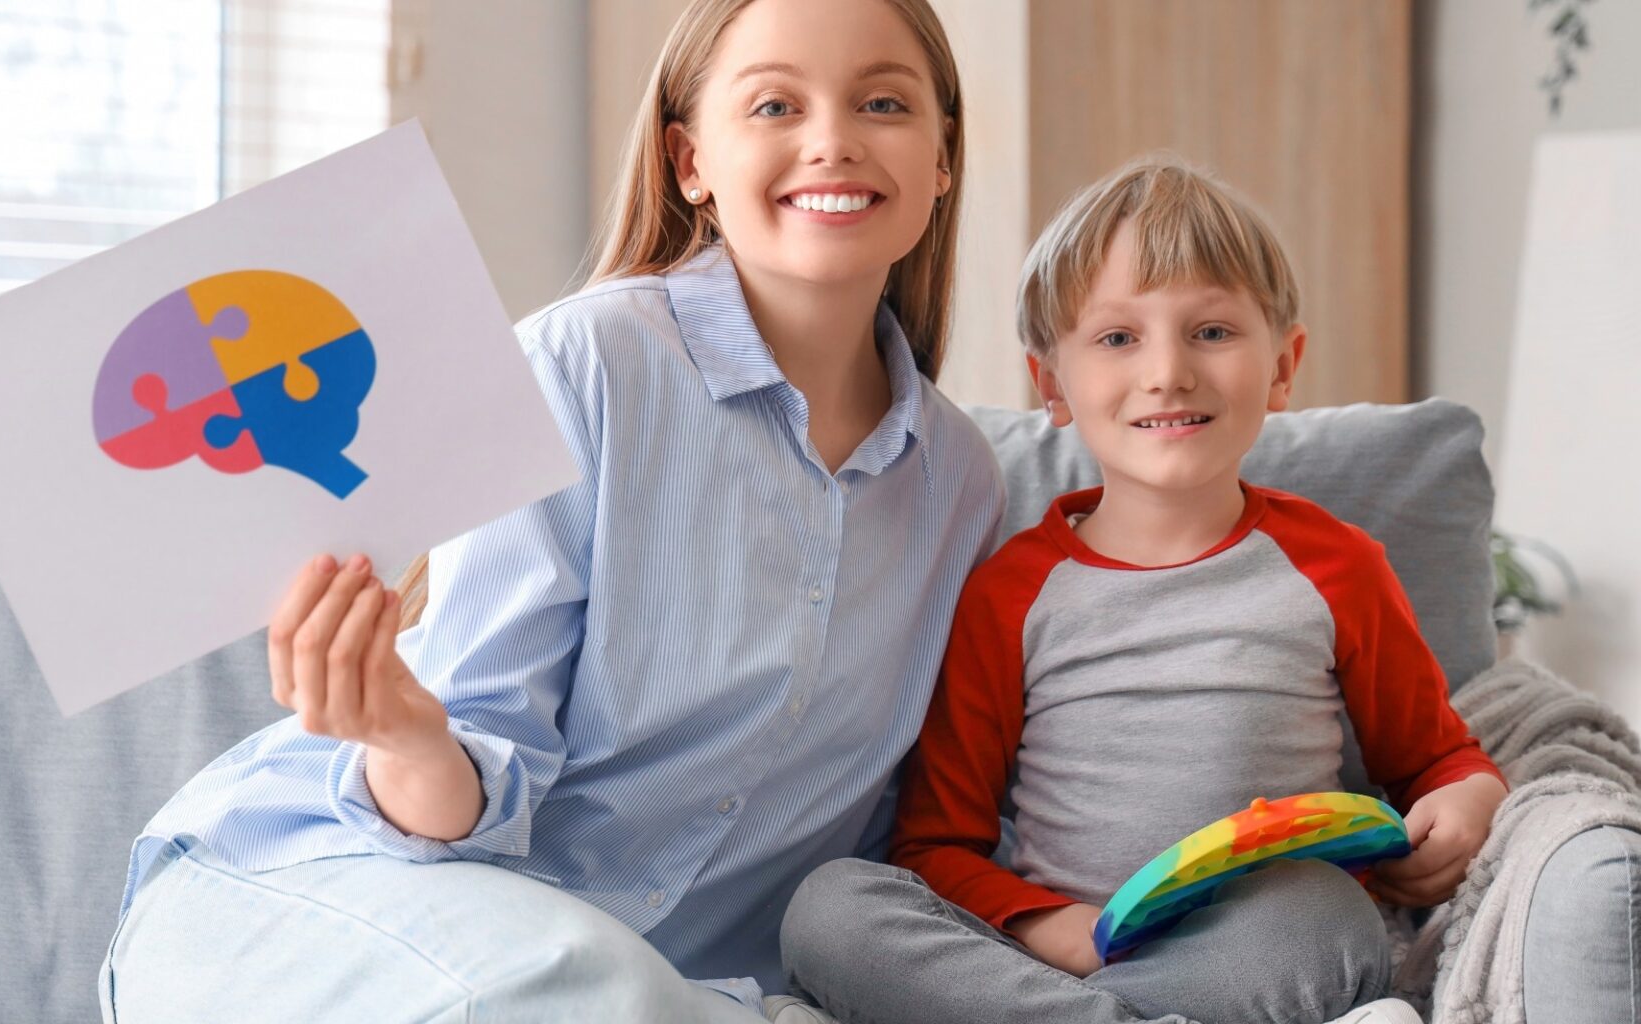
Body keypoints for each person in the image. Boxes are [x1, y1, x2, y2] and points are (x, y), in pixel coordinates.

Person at [98, 1, 1003, 1020]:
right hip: (311, 897)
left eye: (884, 101)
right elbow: (450, 807)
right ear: (689, 160)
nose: (833, 139)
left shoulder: (960, 483)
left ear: (943, 157)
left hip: (644, 983)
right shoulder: (585, 365)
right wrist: (401, 734)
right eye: (774, 104)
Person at [779, 158, 1511, 1024]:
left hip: (1263, 945)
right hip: (1058, 961)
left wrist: (1470, 800)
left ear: (1284, 365)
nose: (1167, 372)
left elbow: (1438, 758)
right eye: (1119, 338)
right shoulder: (1008, 594)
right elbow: (939, 846)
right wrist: (1062, 934)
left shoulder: (1337, 565)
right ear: (1052, 383)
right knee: (827, 907)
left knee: (1326, 915)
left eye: (1211, 332)